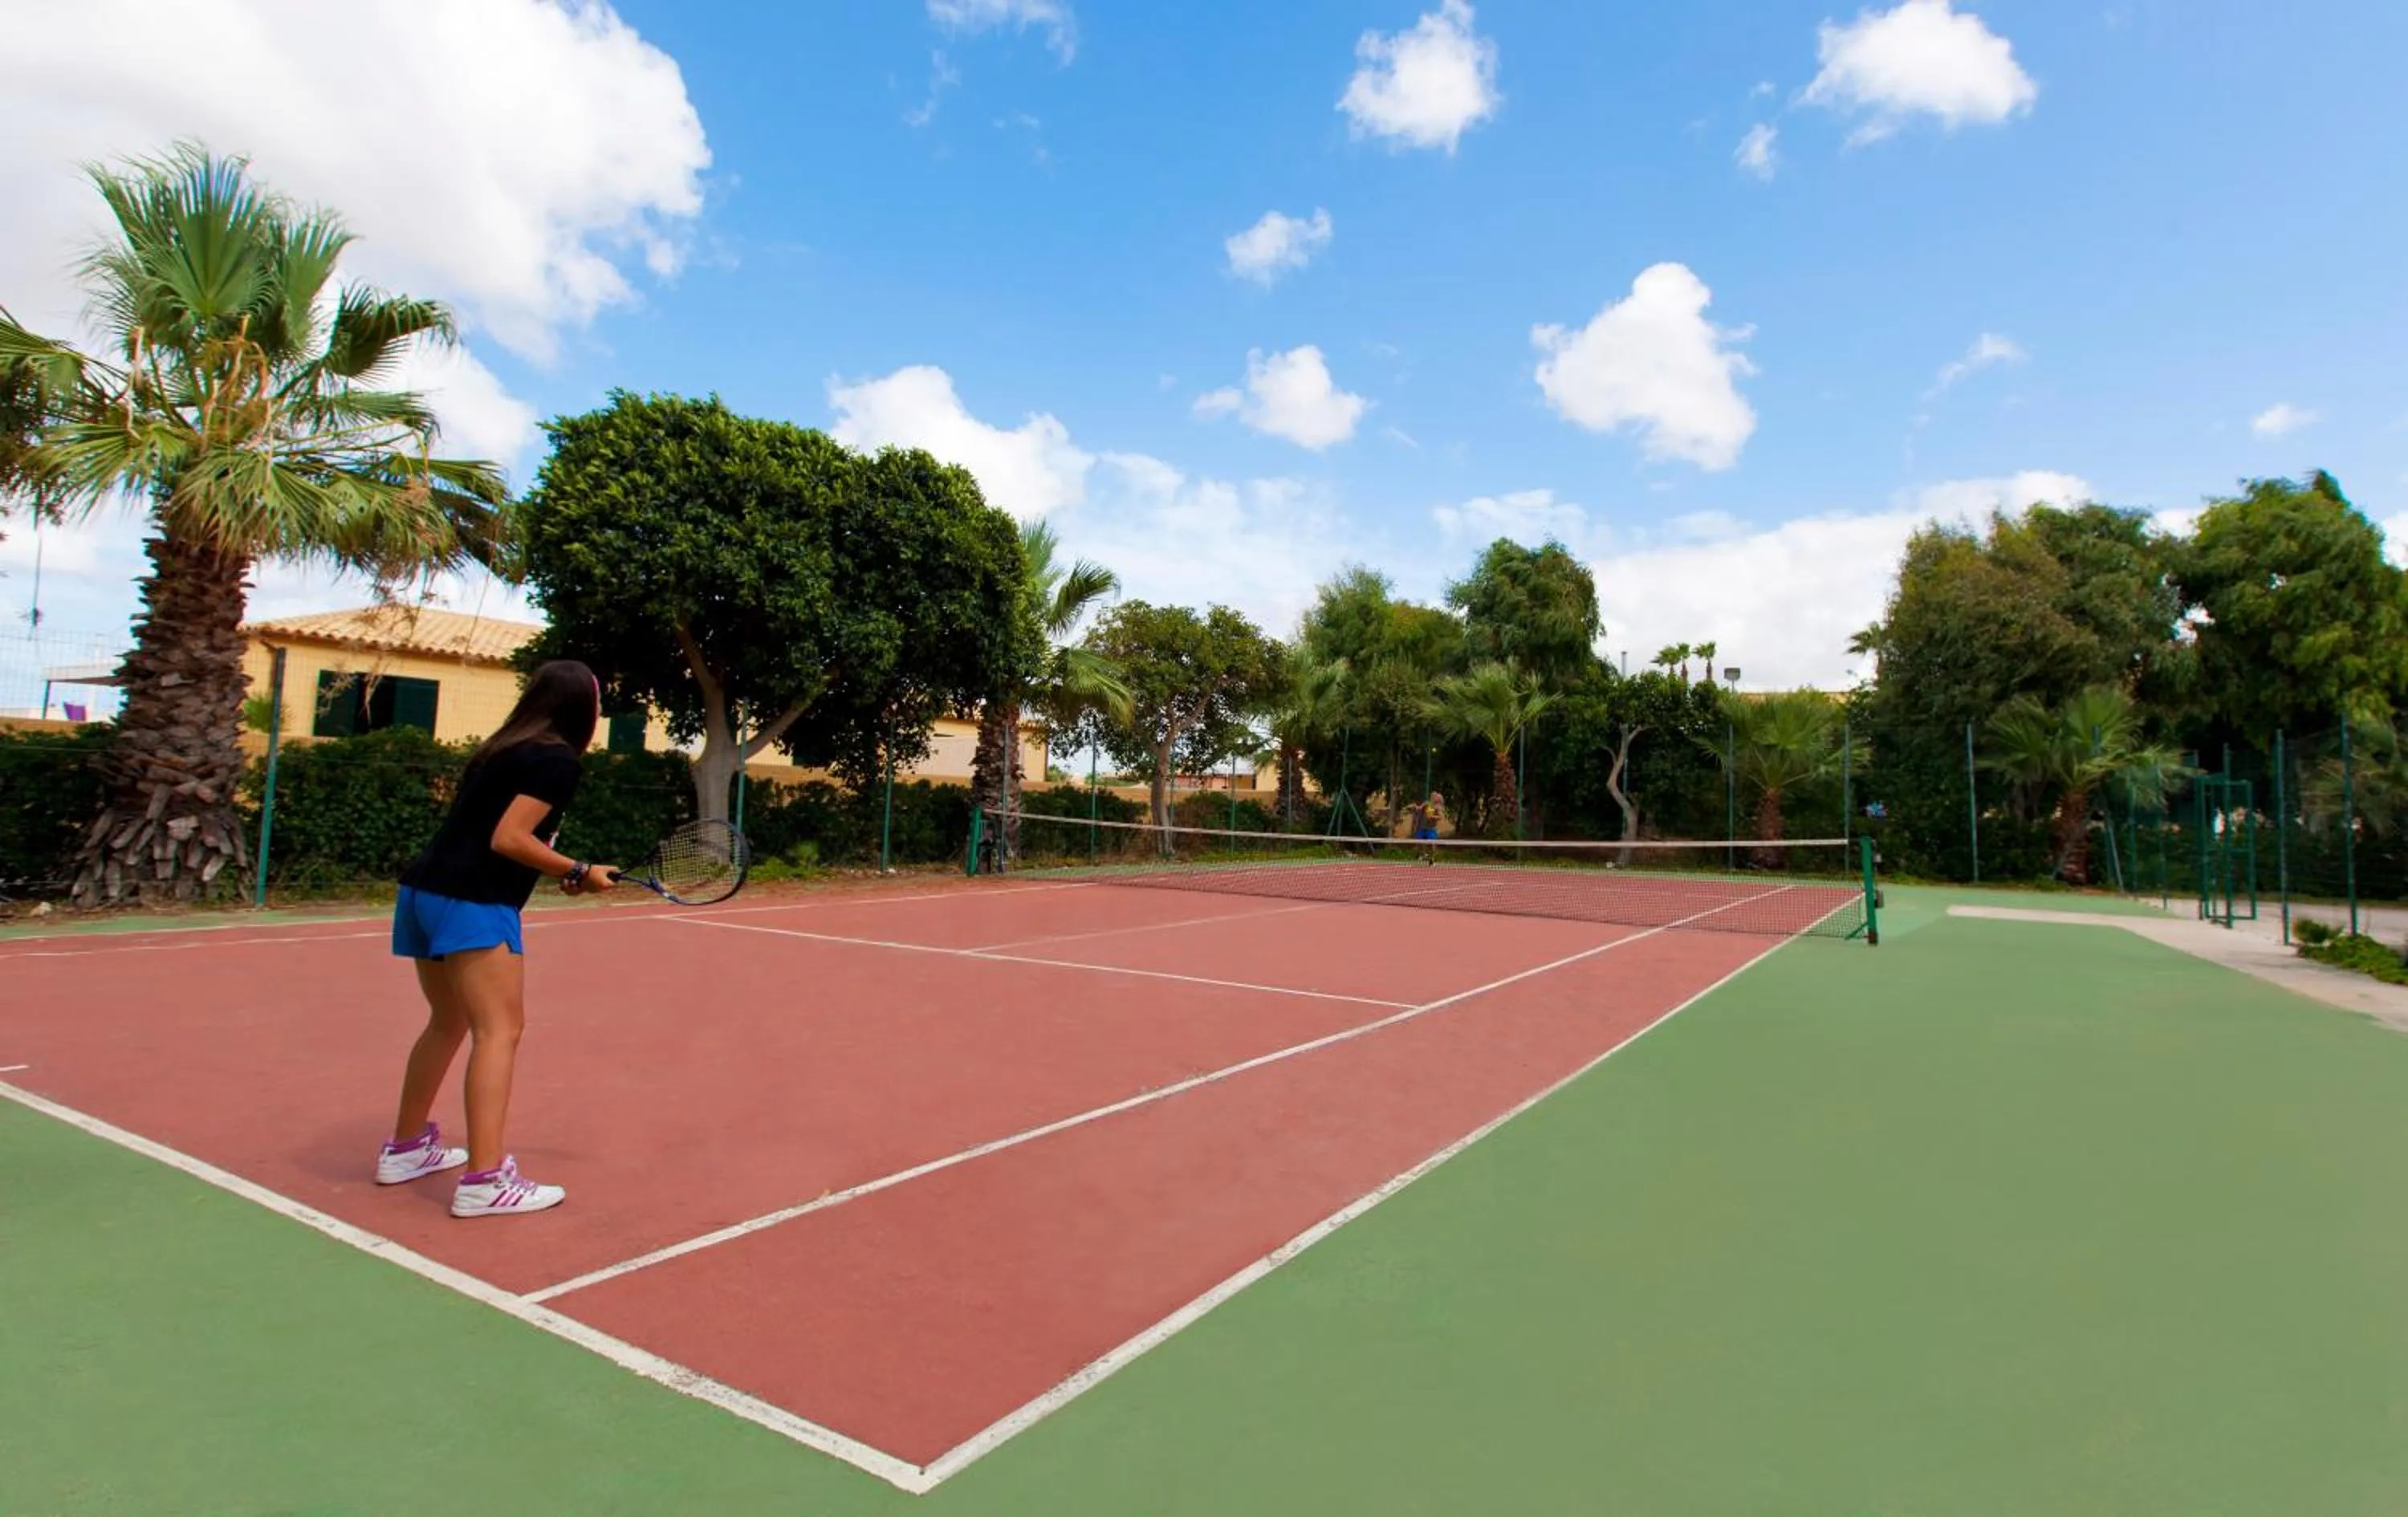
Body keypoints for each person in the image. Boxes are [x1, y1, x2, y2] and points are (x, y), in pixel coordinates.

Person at [374, 660, 618, 1218]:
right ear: (581, 706)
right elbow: (509, 838)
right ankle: (485, 1180)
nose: (601, 710)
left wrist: (567, 874)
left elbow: (505, 840)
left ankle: (406, 1148)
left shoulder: (502, 750)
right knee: (499, 1031)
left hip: (423, 893)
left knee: (448, 1021)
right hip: (473, 902)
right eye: (599, 701)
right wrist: (578, 869)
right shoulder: (557, 760)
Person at [1407, 789, 1447, 864]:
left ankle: (1432, 859)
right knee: (1418, 842)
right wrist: (1414, 807)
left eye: (1434, 796)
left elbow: (1441, 817)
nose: (1433, 797)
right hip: (1422, 828)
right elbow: (1418, 809)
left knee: (1431, 844)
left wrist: (1433, 817)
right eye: (1432, 795)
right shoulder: (1426, 804)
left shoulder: (1437, 807)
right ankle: (1423, 854)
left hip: (1431, 829)